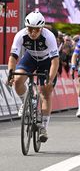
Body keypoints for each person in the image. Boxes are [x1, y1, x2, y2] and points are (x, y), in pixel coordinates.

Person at [7, 11, 59, 142]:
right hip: (30, 58)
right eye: (30, 29)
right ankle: (25, 101)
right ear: (26, 27)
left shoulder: (49, 37)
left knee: (45, 92)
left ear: (41, 28)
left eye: (36, 30)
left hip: (47, 61)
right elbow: (13, 57)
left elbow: (55, 61)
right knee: (18, 80)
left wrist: (50, 79)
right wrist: (10, 73)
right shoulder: (21, 35)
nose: (33, 33)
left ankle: (43, 128)